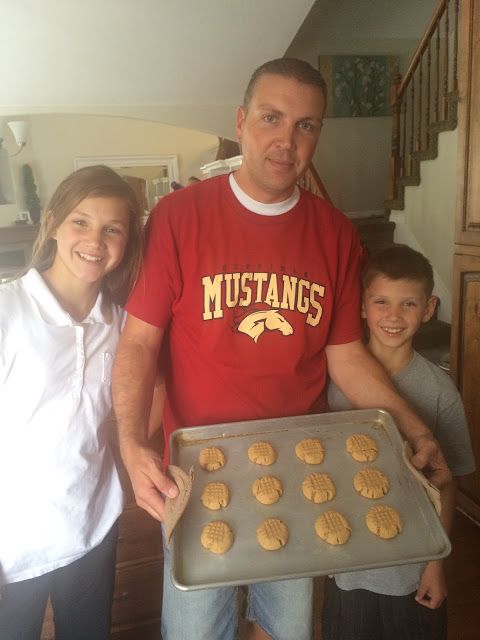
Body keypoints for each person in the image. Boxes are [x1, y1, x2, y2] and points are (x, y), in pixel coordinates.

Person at [112, 58, 452, 640]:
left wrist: (416, 429)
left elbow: (346, 354)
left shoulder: (336, 233)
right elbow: (140, 341)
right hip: (199, 476)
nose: (286, 140)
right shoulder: (176, 217)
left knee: (289, 631)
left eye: (306, 125)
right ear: (242, 121)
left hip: (300, 474)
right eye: (272, 117)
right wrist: (129, 443)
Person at [0, 165, 144, 640]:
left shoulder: (122, 325)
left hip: (91, 528)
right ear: (53, 221)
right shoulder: (9, 311)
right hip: (12, 546)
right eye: (81, 221)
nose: (95, 240)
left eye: (113, 229)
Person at [322, 245, 475, 640]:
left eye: (408, 303)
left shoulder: (440, 391)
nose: (393, 316)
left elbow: (447, 482)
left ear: (428, 309)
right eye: (381, 302)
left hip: (412, 571)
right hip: (348, 565)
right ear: (361, 306)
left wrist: (436, 565)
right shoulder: (332, 383)